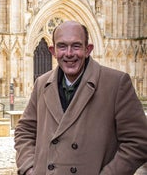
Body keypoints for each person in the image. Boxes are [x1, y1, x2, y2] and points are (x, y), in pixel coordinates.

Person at [14, 21, 147, 175]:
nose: (69, 53)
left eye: (76, 46)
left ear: (88, 49)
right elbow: (24, 131)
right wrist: (29, 168)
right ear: (53, 50)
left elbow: (139, 141)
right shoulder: (42, 84)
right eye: (62, 46)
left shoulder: (116, 83)